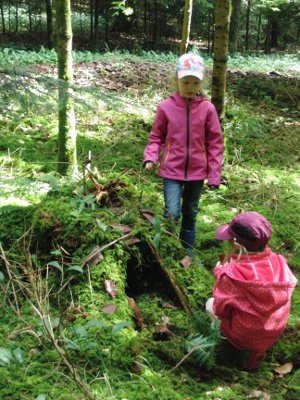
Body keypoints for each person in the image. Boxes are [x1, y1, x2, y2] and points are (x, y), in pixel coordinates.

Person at [143, 53, 223, 256]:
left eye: (194, 83)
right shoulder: (166, 107)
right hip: (171, 170)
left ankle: (187, 253)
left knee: (190, 212)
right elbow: (156, 138)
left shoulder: (208, 109)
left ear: (201, 83)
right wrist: (151, 157)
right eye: (185, 82)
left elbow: (215, 143)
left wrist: (214, 174)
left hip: (197, 172)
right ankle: (167, 248)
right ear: (176, 80)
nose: (189, 87)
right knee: (172, 212)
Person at [206, 211, 297, 370]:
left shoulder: (230, 276)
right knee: (258, 321)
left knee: (209, 304)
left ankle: (230, 349)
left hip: (244, 336)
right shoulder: (280, 262)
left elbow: (220, 309)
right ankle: (256, 355)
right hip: (273, 331)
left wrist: (220, 272)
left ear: (236, 244)